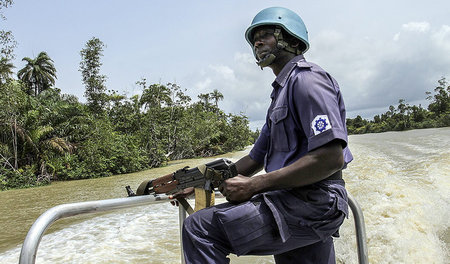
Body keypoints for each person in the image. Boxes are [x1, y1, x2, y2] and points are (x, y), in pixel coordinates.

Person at [174, 6, 353, 264]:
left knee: (200, 229)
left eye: (267, 34)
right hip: (293, 199)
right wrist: (201, 183)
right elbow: (254, 159)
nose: (257, 41)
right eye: (254, 38)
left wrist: (255, 185)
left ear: (291, 40)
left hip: (316, 201)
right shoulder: (280, 93)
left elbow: (331, 157)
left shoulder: (307, 81)